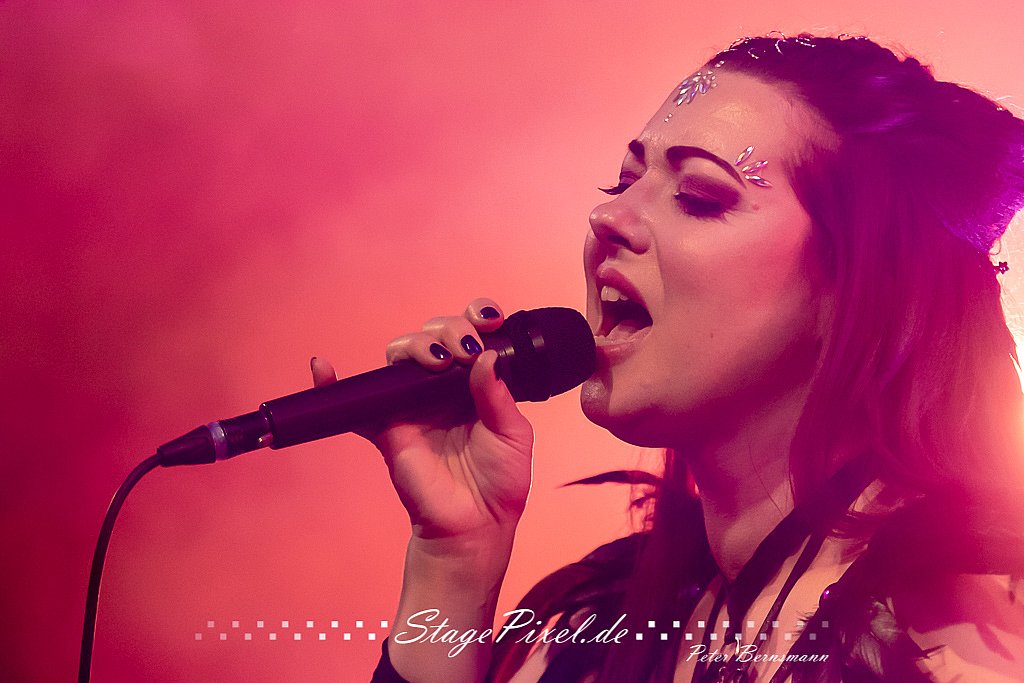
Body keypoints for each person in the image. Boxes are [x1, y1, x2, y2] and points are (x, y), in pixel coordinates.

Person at [312, 34, 1024, 682]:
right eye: (622, 183)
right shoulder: (594, 635)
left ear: (861, 288)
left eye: (700, 196)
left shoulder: (965, 639)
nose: (608, 217)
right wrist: (453, 563)